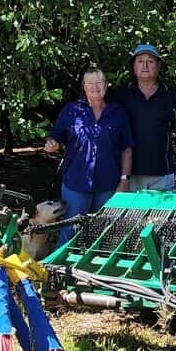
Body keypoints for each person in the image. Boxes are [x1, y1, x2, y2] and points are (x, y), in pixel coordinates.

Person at [45, 68, 133, 243]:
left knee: (102, 235)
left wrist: (125, 180)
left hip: (107, 186)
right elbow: (55, 135)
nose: (95, 87)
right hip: (75, 185)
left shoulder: (118, 114)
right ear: (84, 87)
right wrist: (52, 142)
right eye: (90, 83)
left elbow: (127, 148)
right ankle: (61, 269)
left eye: (99, 82)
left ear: (106, 85)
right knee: (69, 234)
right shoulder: (71, 111)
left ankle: (94, 269)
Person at [115, 44, 176, 191]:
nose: (144, 66)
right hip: (129, 175)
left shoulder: (170, 95)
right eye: (140, 61)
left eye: (150, 61)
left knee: (163, 214)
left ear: (158, 66)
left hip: (164, 174)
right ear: (133, 66)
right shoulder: (122, 95)